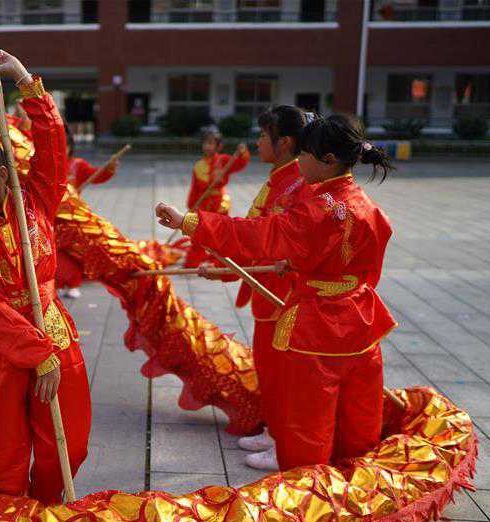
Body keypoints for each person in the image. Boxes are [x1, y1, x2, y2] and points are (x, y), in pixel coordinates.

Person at [156, 113, 396, 471]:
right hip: (362, 319)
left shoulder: (314, 209)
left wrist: (188, 220)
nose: (300, 161)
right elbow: (367, 271)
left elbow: (257, 236)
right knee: (358, 418)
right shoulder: (367, 206)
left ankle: (306, 497)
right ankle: (359, 488)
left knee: (307, 423)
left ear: (327, 160)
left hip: (317, 328)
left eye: (306, 155)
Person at [0, 50, 92, 504]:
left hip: (53, 330)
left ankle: (46, 513)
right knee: (1, 453)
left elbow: (52, 145)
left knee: (66, 443)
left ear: (3, 176)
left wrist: (26, 82)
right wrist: (34, 354)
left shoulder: (37, 202)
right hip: (0, 352)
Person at [197, 105, 310, 470]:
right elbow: (253, 237)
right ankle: (275, 430)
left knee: (284, 373)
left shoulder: (296, 185)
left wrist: (223, 264)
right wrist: (225, 269)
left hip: (283, 296)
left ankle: (286, 443)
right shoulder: (280, 177)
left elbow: (263, 241)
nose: (258, 141)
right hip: (266, 293)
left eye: (264, 135)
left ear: (285, 142)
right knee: (268, 368)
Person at [55, 133, 121, 299]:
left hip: (73, 218)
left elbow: (96, 175)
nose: (62, 150)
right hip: (51, 216)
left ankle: (73, 283)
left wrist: (109, 168)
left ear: (70, 147)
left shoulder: (77, 165)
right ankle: (57, 283)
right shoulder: (48, 164)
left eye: (65, 145)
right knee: (55, 253)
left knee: (74, 251)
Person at [183, 128, 249, 268]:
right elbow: (195, 187)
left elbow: (239, 164)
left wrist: (242, 153)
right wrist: (192, 204)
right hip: (203, 203)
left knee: (219, 233)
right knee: (198, 232)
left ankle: (219, 261)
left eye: (211, 143)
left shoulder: (224, 160)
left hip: (219, 202)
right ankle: (193, 260)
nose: (207, 146)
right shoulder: (198, 165)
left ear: (218, 146)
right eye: (205, 143)